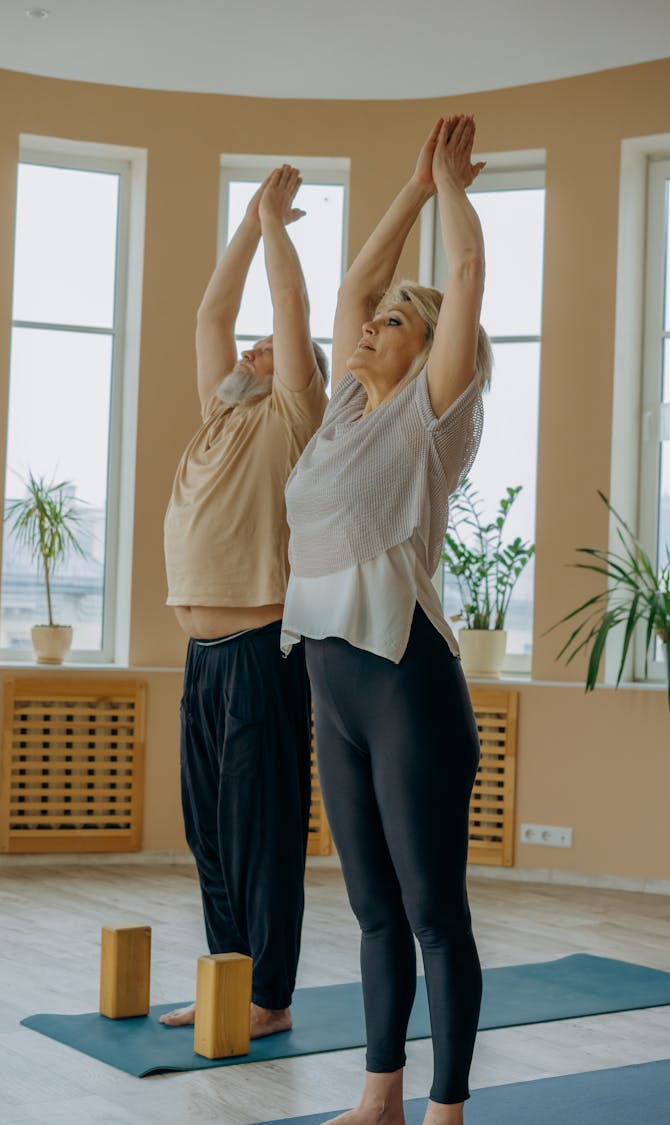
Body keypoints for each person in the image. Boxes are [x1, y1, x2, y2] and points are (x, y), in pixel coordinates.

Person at [281, 117, 491, 1123]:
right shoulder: (343, 415)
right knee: (371, 911)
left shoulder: (427, 416)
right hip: (332, 685)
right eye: (376, 319)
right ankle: (381, 1098)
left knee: (432, 915)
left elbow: (466, 264)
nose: (370, 325)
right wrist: (408, 186)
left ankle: (445, 1110)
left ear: (431, 352)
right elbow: (351, 288)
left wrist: (448, 192)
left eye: (397, 323)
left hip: (407, 686)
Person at [162, 165, 329, 1038]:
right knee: (210, 833)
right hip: (203, 655)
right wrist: (245, 221)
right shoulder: (220, 413)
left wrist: (275, 226)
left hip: (264, 652)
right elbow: (209, 316)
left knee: (261, 833)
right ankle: (230, 982)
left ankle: (271, 998)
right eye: (252, 345)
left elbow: (292, 307)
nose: (254, 345)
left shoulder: (292, 417)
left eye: (267, 347)